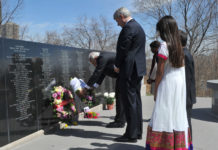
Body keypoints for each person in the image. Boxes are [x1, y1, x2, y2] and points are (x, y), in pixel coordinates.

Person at [145, 16, 193, 150]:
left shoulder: (164, 46)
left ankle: (161, 146)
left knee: (163, 113)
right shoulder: (179, 46)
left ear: (163, 30)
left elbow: (159, 72)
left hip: (168, 83)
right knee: (177, 113)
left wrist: (156, 90)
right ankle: (177, 145)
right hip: (179, 84)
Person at [113, 7, 146, 143]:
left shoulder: (128, 28)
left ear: (121, 16)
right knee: (136, 102)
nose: (117, 24)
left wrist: (117, 65)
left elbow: (123, 48)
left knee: (129, 102)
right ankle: (137, 131)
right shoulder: (138, 27)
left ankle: (131, 134)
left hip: (129, 70)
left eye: (117, 21)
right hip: (137, 70)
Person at [87, 51, 126, 128]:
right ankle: (120, 119)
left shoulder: (102, 58)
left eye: (92, 62)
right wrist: (94, 86)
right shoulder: (103, 58)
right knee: (120, 98)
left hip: (124, 76)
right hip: (122, 76)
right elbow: (101, 75)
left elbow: (97, 73)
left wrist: (87, 86)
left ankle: (120, 122)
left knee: (120, 99)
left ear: (95, 58)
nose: (93, 65)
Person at [179, 30, 196, 138]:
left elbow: (187, 79)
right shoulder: (183, 54)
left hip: (186, 96)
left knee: (186, 122)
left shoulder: (185, 56)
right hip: (185, 95)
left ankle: (188, 145)